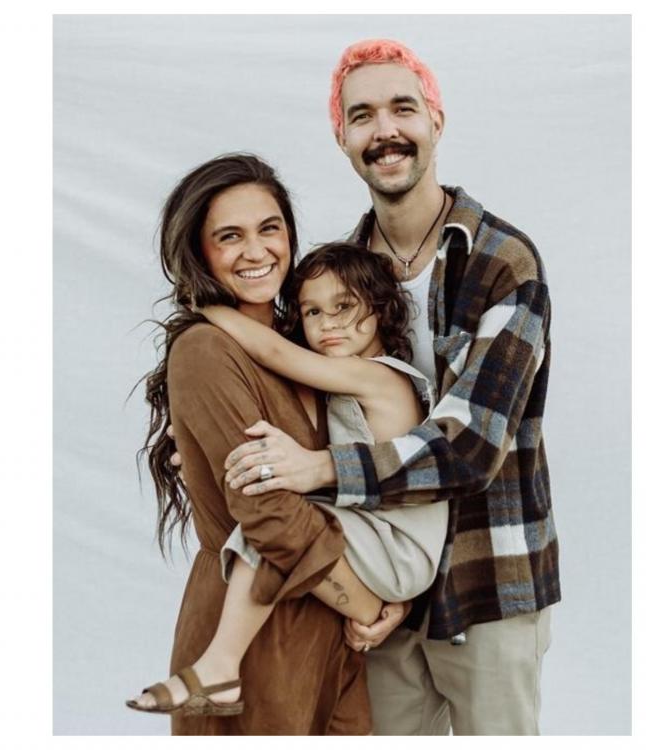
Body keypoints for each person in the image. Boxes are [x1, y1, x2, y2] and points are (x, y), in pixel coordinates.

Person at [221, 39, 557, 735]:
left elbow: (468, 448)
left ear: (435, 120)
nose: (385, 131)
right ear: (342, 137)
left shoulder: (502, 262)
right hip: (381, 590)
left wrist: (318, 469)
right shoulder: (338, 281)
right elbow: (303, 400)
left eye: (402, 108)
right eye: (363, 115)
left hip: (489, 582)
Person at [128, 242, 447, 717]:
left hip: (399, 549)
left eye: (344, 307)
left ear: (380, 310)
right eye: (312, 311)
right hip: (382, 546)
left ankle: (219, 665)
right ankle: (219, 665)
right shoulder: (339, 380)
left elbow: (274, 351)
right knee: (282, 521)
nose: (329, 323)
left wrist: (208, 305)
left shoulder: (380, 378)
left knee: (281, 523)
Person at [136, 153, 374, 735]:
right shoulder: (205, 350)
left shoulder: (310, 343)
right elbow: (269, 514)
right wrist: (370, 607)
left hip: (337, 646)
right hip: (253, 645)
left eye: (269, 229)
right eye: (229, 236)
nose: (256, 251)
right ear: (200, 252)